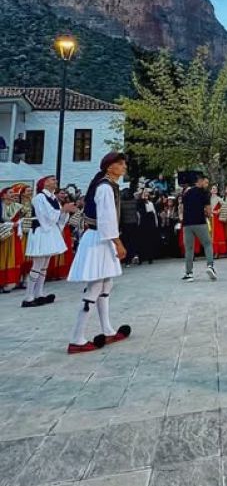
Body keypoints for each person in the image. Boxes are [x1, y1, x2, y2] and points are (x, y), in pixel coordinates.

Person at [67, 151, 131, 354]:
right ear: (110, 167)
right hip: (98, 239)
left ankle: (107, 329)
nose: (124, 167)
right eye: (120, 164)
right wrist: (117, 242)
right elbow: (106, 219)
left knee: (105, 284)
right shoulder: (104, 187)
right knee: (95, 286)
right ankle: (77, 338)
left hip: (101, 238)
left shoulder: (108, 185)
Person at [23, 176, 76, 307]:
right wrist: (64, 209)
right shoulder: (39, 198)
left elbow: (57, 217)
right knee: (38, 264)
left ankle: (39, 293)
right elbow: (45, 215)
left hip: (48, 232)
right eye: (52, 180)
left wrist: (65, 212)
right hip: (41, 231)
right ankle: (28, 297)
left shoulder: (52, 198)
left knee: (44, 265)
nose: (55, 182)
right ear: (45, 183)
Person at [181, 175, 217, 281]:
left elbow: (182, 207)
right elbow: (209, 209)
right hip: (200, 222)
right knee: (207, 244)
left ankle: (189, 273)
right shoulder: (204, 193)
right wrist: (209, 214)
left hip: (187, 224)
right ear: (199, 182)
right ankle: (210, 266)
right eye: (205, 182)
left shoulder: (187, 193)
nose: (206, 185)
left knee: (189, 248)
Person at [137, 187, 160, 263]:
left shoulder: (151, 203)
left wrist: (156, 222)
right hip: (143, 223)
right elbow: (140, 211)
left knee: (150, 240)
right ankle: (141, 258)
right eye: (144, 193)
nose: (146, 194)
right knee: (142, 241)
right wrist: (142, 198)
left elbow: (154, 213)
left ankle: (150, 257)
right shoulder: (140, 202)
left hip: (150, 223)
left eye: (147, 193)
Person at [119, 186, 140, 265]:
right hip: (134, 223)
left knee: (126, 242)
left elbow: (120, 215)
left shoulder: (121, 203)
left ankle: (127, 259)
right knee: (133, 241)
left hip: (125, 224)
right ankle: (134, 255)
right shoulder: (134, 201)